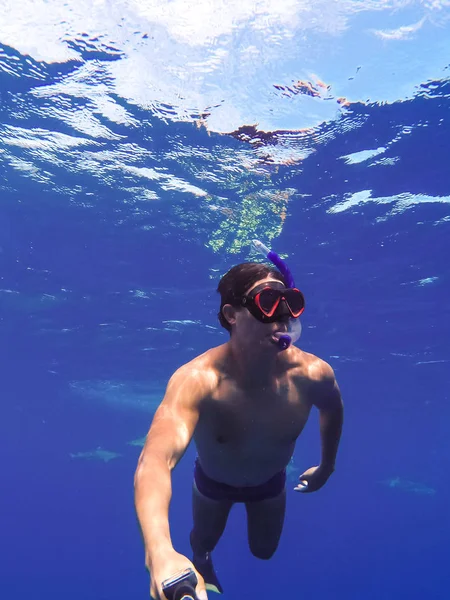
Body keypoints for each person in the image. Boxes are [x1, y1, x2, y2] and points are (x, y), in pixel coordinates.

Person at [134, 251, 344, 600]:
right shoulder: (199, 380)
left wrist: (327, 467)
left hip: (269, 484)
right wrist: (158, 551)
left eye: (289, 303)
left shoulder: (313, 375)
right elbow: (155, 460)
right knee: (202, 542)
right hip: (212, 484)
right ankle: (202, 558)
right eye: (267, 302)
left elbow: (333, 410)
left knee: (264, 550)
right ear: (231, 315)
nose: (281, 317)